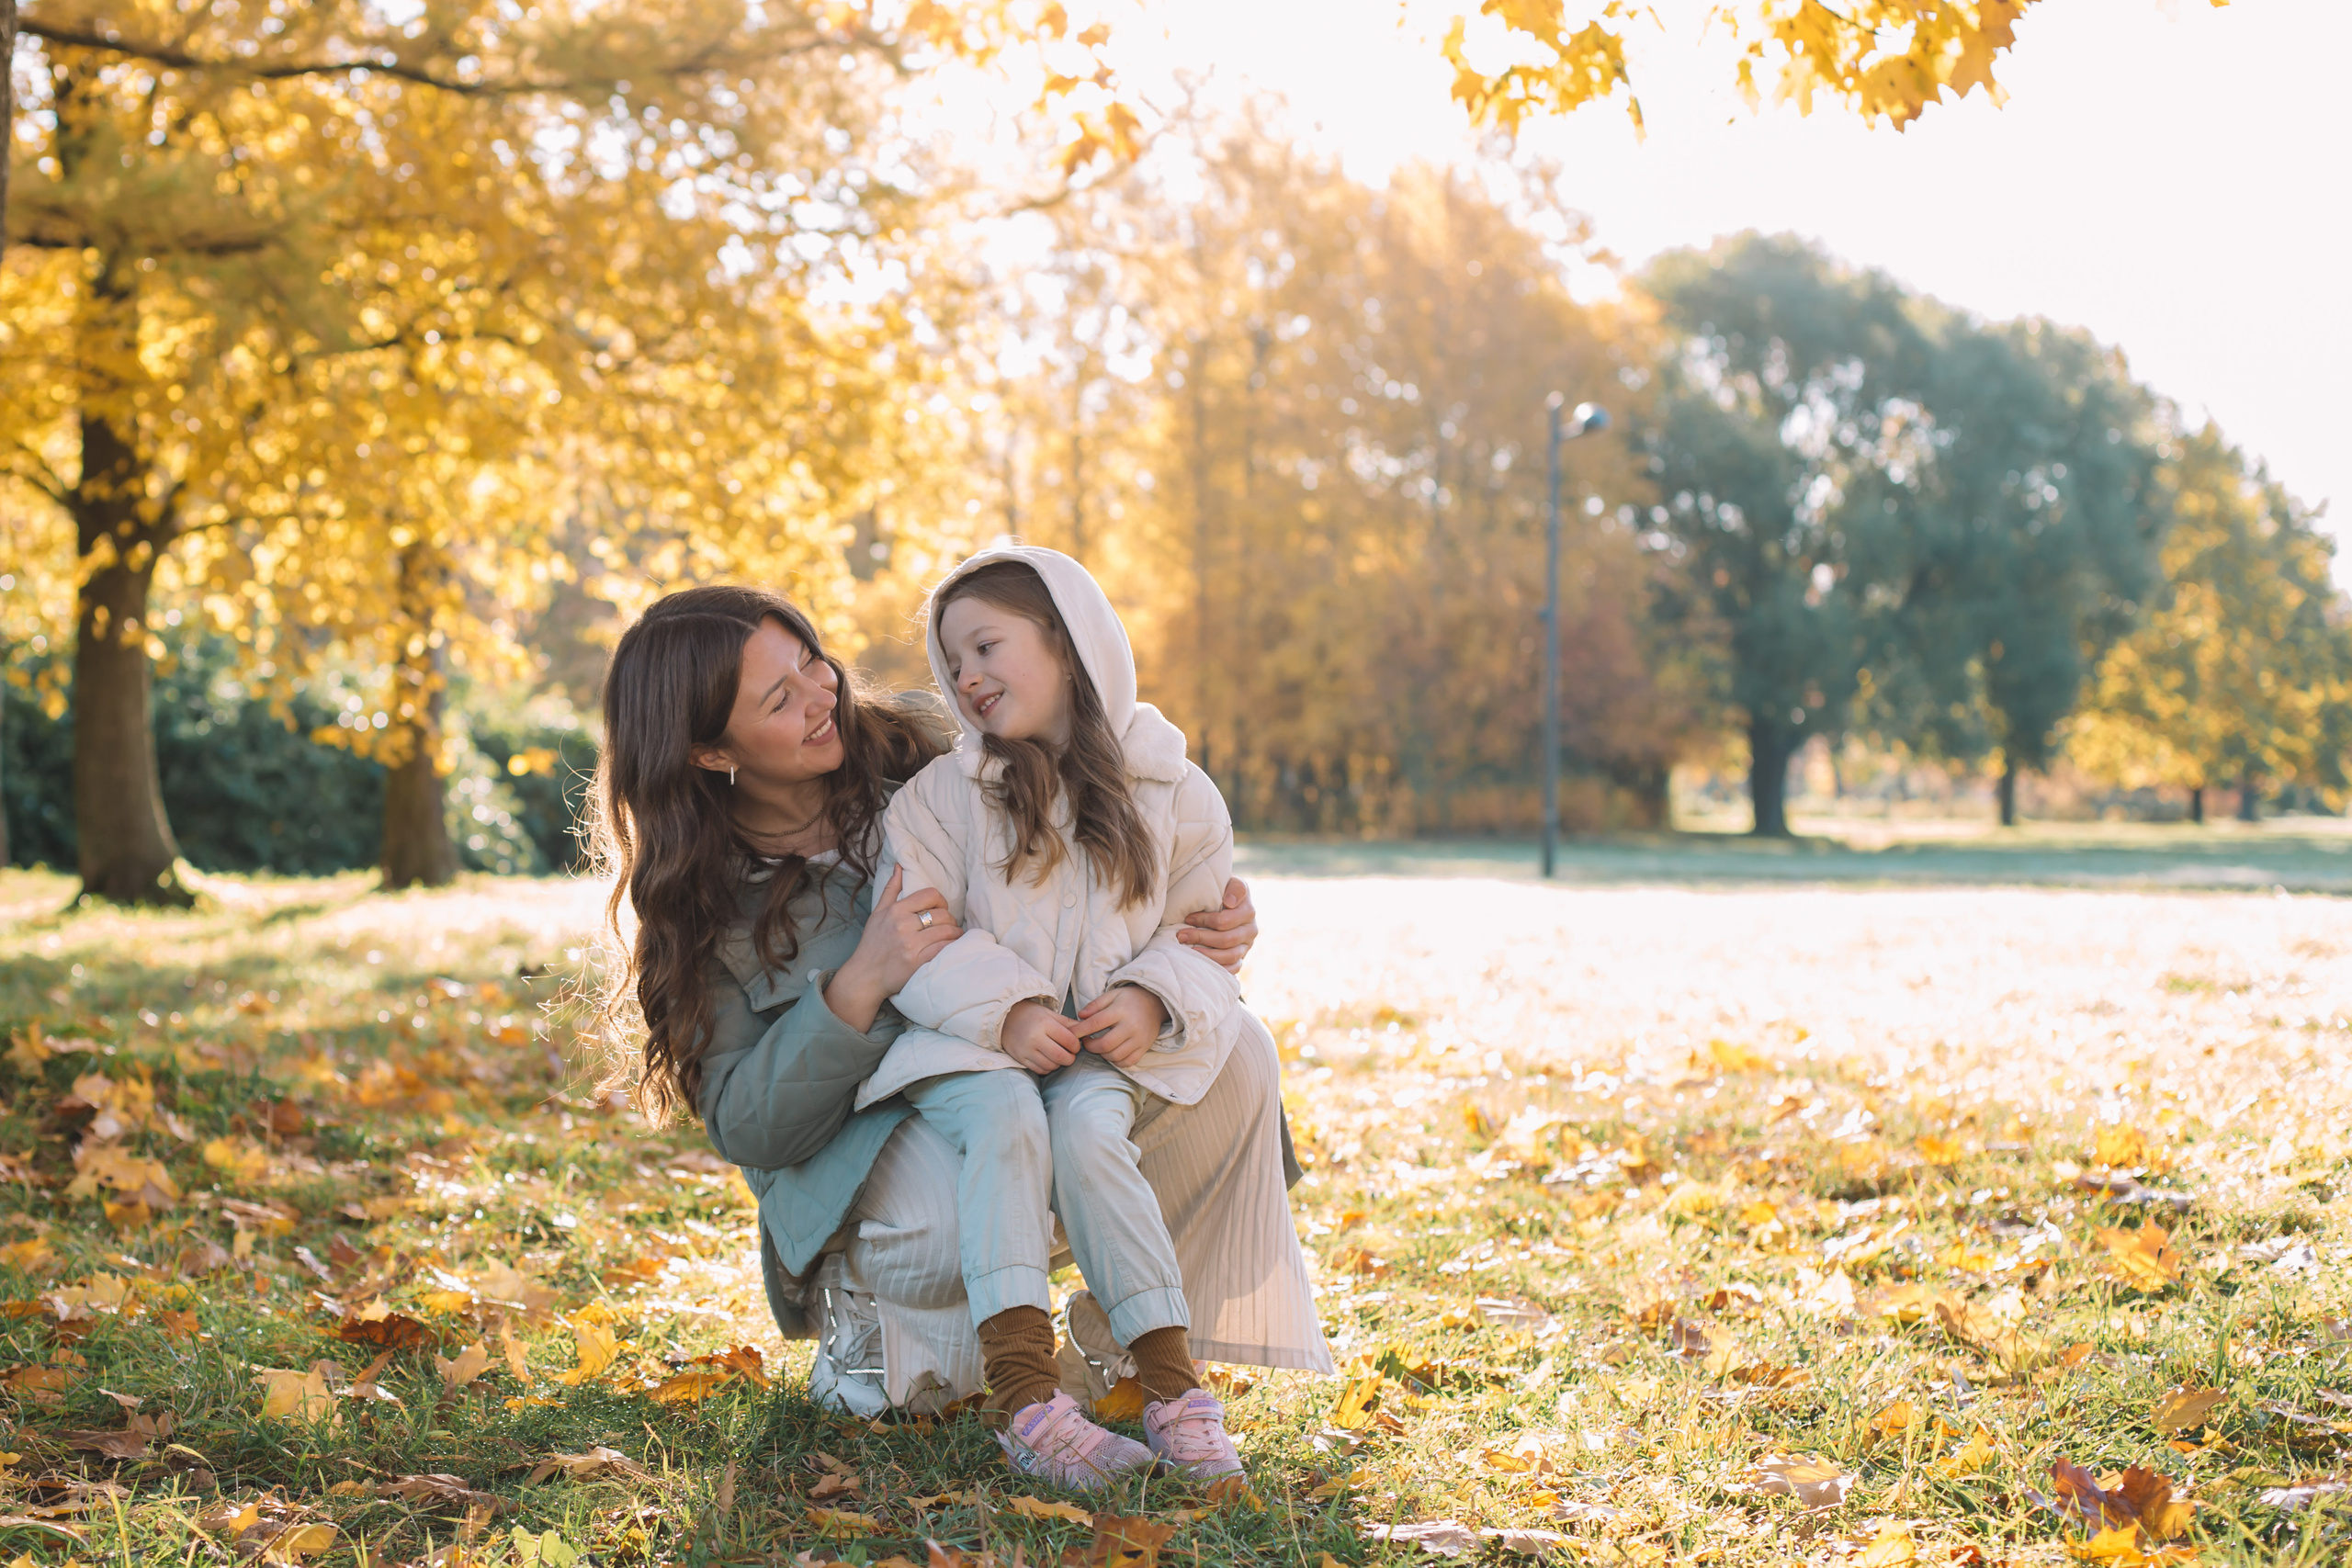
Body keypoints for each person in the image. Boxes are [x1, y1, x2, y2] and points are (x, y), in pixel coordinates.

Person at [591, 584, 1325, 1449]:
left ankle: (1119, 1346)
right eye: (779, 699)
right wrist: (859, 982)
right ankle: (877, 1327)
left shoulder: (928, 756)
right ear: (713, 751)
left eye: (810, 663)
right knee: (960, 1180)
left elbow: (1104, 868)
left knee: (1231, 1051)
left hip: (1029, 1068)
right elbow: (749, 1123)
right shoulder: (705, 898)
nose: (820, 696)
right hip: (880, 1143)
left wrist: (1194, 941)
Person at [859, 547, 1326, 1486]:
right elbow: (916, 936)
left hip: (1099, 1062)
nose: (968, 677)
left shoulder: (1174, 790)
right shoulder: (942, 799)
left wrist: (1153, 997)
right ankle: (1026, 1400)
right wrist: (1013, 1008)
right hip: (971, 1051)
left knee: (1083, 1122)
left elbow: (1198, 933)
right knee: (1001, 1116)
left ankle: (1171, 1390)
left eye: (987, 645)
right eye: (953, 663)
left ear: (1067, 643)